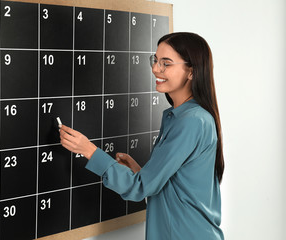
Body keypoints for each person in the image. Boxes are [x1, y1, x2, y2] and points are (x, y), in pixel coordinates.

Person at [59, 32, 224, 240]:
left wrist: (88, 150)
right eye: (155, 60)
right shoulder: (180, 116)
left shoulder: (190, 121)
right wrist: (139, 171)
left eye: (166, 63)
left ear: (191, 71)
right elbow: (171, 184)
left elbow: (140, 188)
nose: (156, 69)